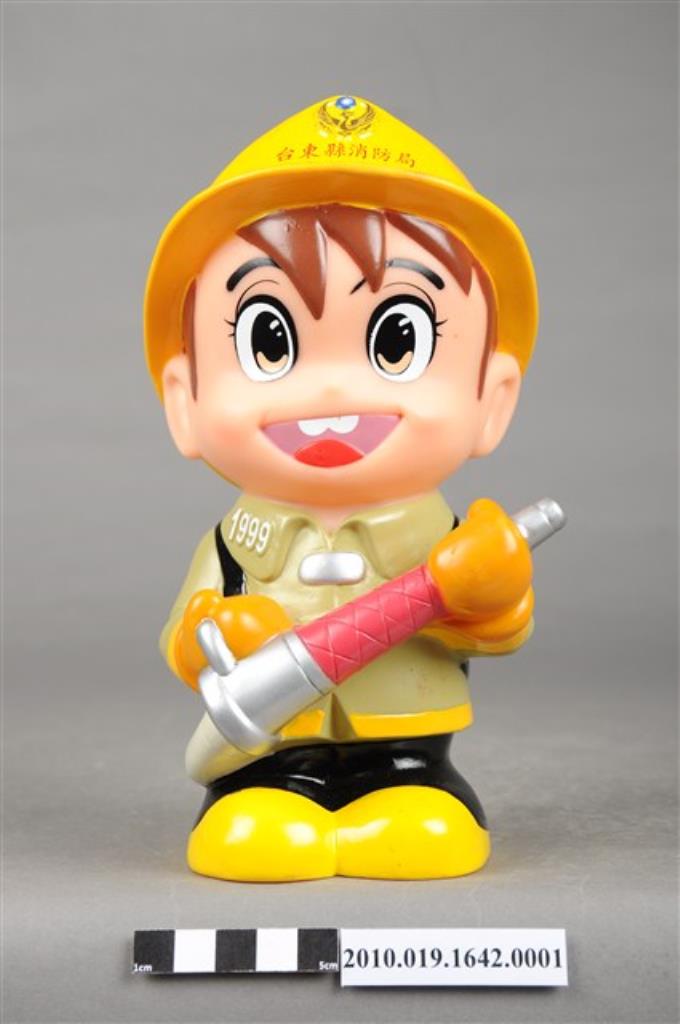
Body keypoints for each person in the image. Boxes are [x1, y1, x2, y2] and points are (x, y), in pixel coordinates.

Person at [144, 95, 538, 881]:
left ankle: (411, 796)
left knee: (421, 818)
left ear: (492, 400)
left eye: (396, 341)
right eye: (270, 340)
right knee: (254, 824)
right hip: (265, 744)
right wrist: (212, 635)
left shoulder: (446, 539)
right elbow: (183, 637)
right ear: (183, 402)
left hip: (405, 741)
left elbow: (491, 631)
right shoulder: (235, 545)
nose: (331, 391)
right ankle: (261, 799)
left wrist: (494, 599)